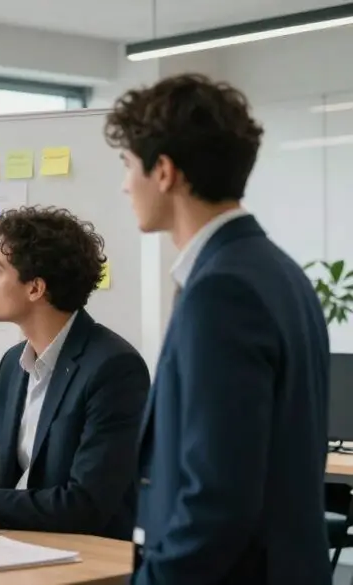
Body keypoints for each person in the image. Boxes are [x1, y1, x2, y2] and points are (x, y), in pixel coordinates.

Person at [105, 73, 331, 584]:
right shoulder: (279, 272)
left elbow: (216, 498)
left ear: (163, 171)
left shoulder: (221, 292)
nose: (124, 185)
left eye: (127, 167)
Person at [0, 206, 150, 540]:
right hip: (20, 546)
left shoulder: (114, 368)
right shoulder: (13, 364)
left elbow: (86, 504)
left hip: (89, 560)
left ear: (35, 288)